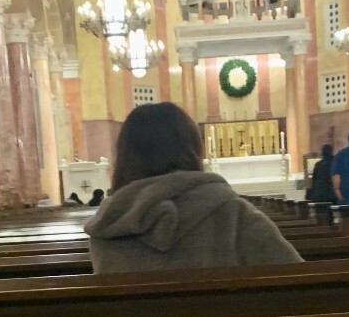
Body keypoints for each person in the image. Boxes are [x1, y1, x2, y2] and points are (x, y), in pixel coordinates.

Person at [84, 102, 301, 273]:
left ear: (125, 156)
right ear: (193, 147)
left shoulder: (109, 224)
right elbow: (301, 284)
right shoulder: (233, 213)